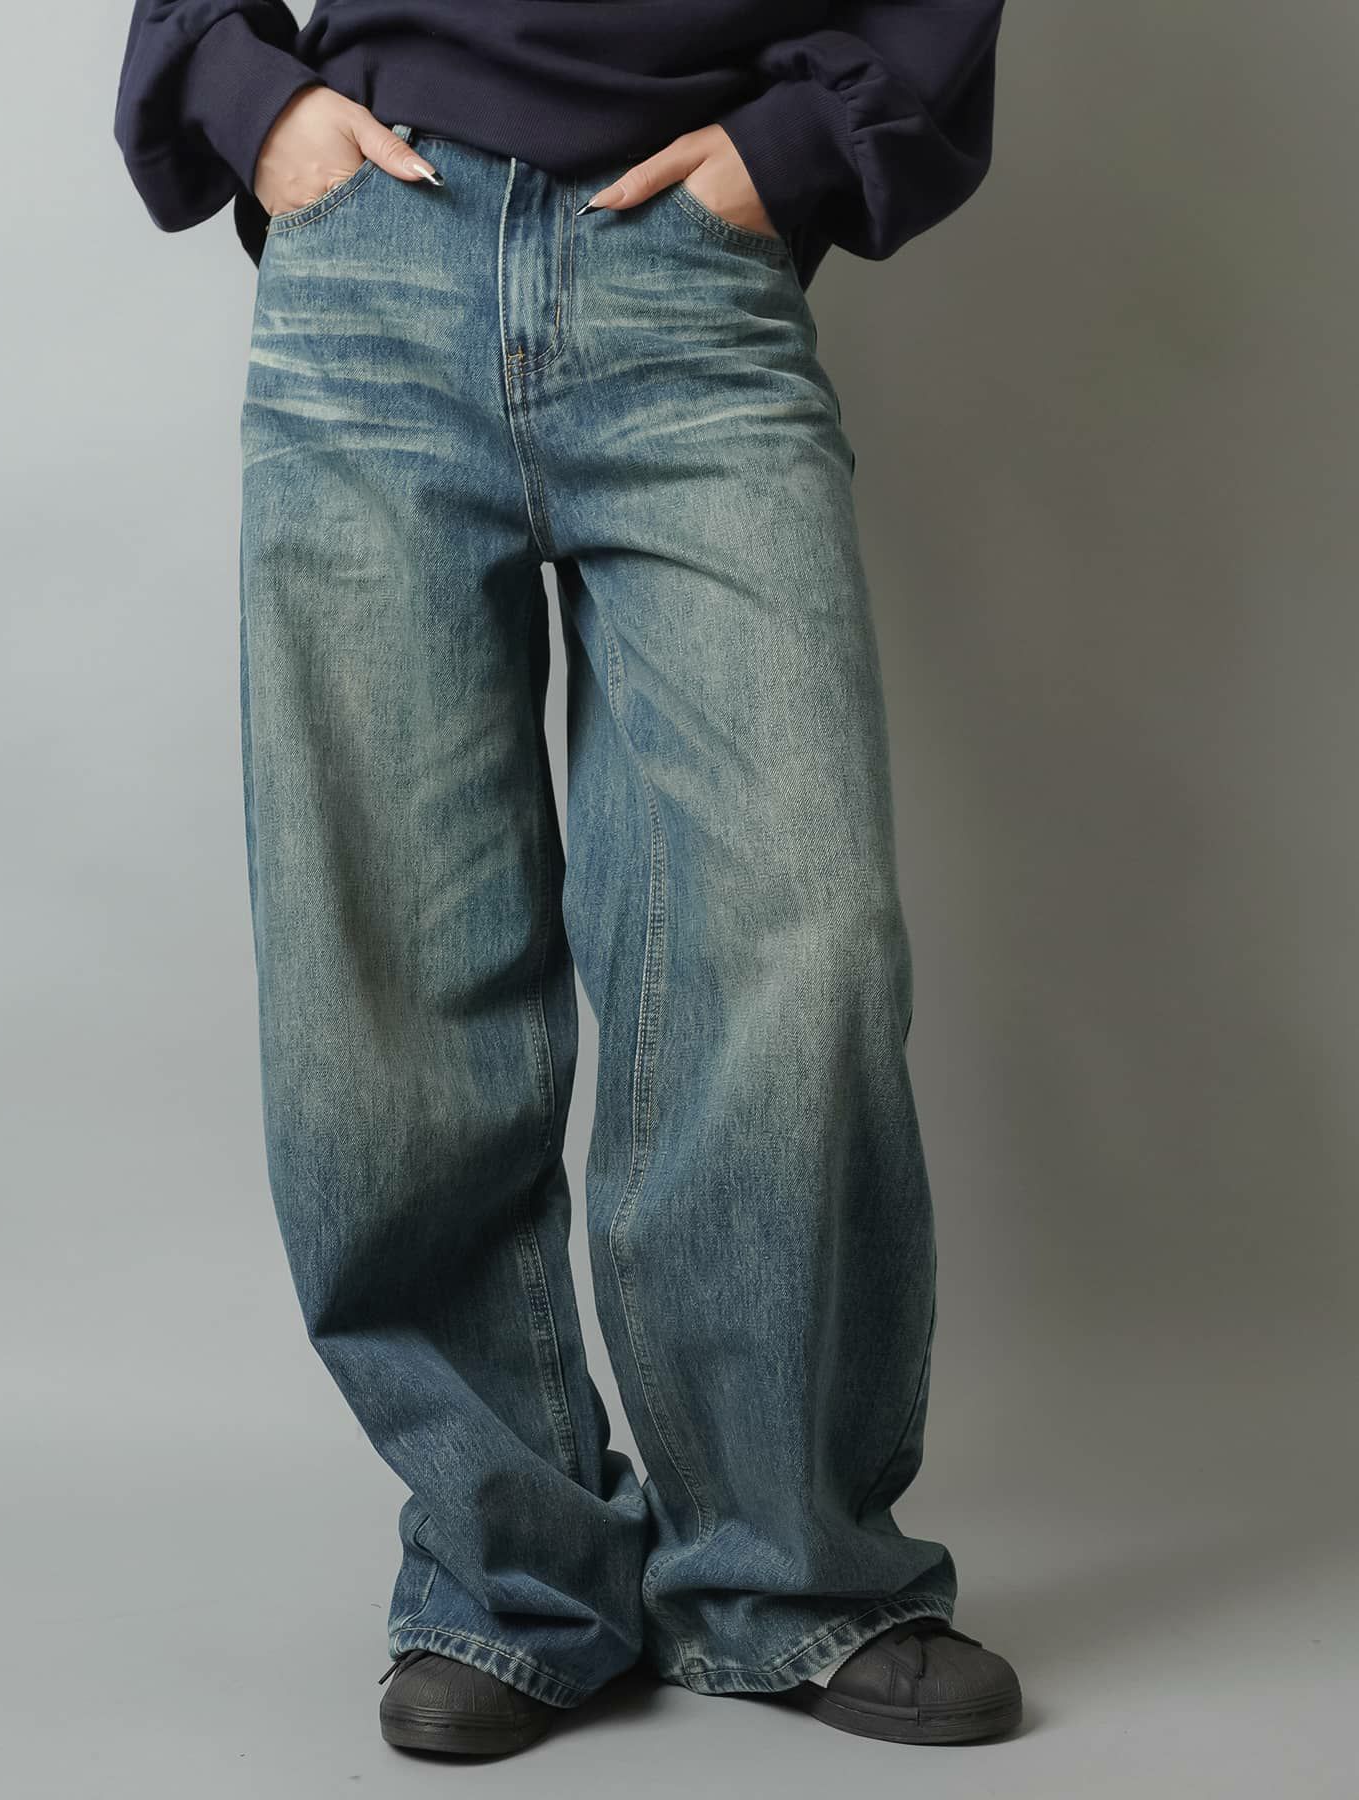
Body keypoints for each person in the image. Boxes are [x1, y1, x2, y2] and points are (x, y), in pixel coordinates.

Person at [113, 0, 1020, 1761]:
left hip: (690, 275)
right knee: (385, 972)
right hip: (377, 260)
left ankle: (790, 1572)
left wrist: (801, 146)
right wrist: (245, 92)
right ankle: (507, 1575)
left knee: (801, 937)